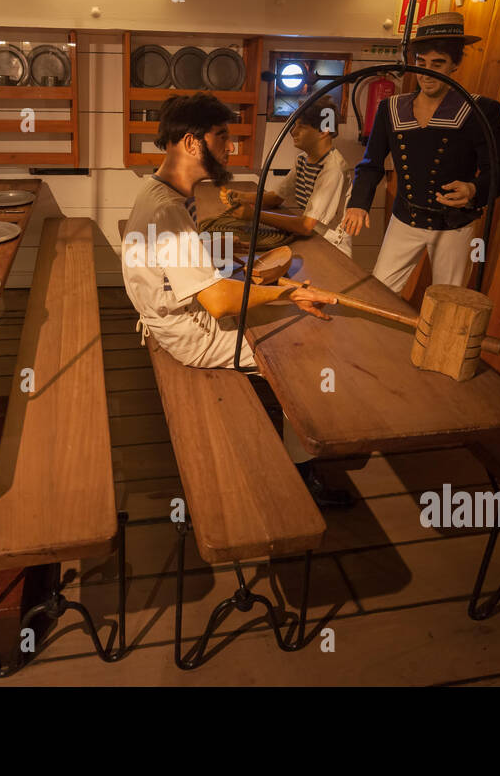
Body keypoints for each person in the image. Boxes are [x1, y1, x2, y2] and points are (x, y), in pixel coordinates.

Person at [120, 92, 351, 506]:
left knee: (282, 310)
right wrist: (288, 292)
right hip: (192, 333)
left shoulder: (166, 191)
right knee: (303, 349)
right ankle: (299, 479)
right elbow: (219, 303)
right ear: (192, 143)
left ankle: (288, 447)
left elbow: (188, 268)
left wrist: (239, 264)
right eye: (222, 136)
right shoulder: (166, 211)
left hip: (179, 314)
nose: (231, 147)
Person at [342, 12, 500, 295]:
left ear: (455, 64)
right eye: (421, 64)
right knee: (379, 292)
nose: (427, 74)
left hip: (454, 225)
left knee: (448, 302)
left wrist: (474, 188)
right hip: (405, 219)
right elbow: (371, 164)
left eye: (438, 64)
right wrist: (358, 202)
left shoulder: (479, 111)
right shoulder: (391, 109)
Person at [218, 96, 353, 256]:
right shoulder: (302, 160)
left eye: (301, 126)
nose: (293, 132)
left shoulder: (333, 169)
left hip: (331, 249)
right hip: (312, 240)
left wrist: (253, 215)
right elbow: (276, 197)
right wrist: (242, 197)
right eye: (294, 126)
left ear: (324, 131)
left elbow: (306, 226)